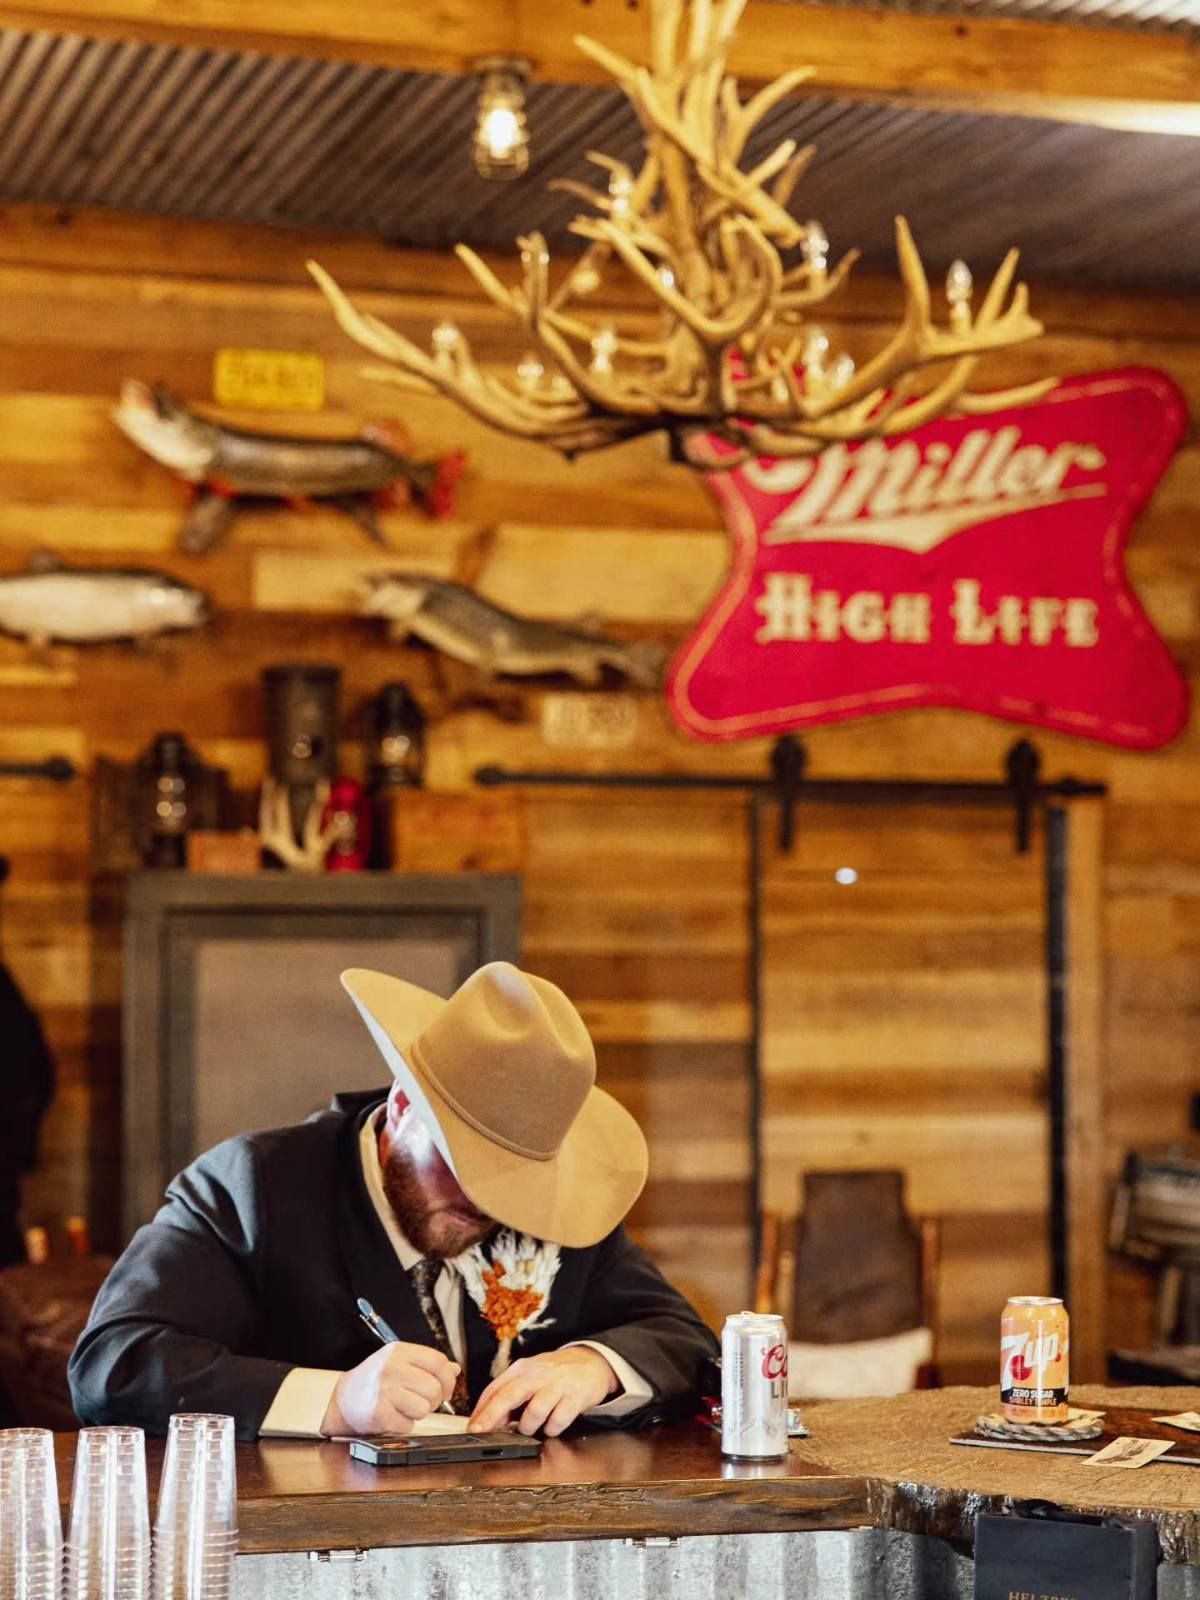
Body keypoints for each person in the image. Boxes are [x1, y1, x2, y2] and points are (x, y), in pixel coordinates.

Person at [69, 962, 718, 1440]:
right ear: (402, 1106)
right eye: (466, 1165)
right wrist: (334, 1401)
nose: (489, 1204)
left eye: (514, 1180)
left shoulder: (557, 1208)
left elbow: (683, 1339)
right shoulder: (252, 1187)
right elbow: (112, 1365)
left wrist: (595, 1364)